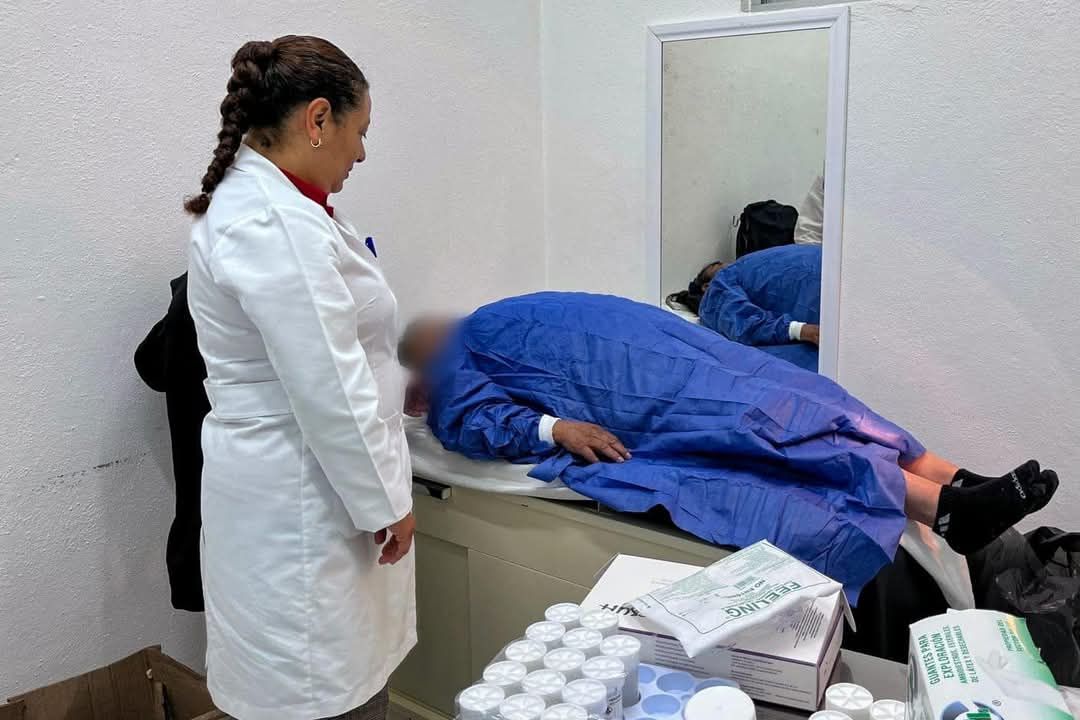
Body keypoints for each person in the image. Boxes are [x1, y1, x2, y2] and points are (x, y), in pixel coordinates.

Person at [399, 292, 1058, 600]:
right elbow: (477, 420)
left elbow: (472, 413)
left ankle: (962, 487)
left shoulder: (475, 332)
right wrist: (556, 429)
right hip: (648, 377)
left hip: (661, 356)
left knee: (803, 403)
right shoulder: (466, 345)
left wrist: (547, 426)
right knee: (782, 417)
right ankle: (946, 501)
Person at [185, 36, 415, 720]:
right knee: (317, 691)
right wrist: (387, 503)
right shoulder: (272, 221)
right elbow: (329, 384)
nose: (361, 153)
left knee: (326, 680)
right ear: (318, 119)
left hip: (307, 487)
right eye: (359, 131)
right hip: (301, 500)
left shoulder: (284, 208)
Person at [670, 245, 821, 371]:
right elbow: (744, 324)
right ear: (706, 286)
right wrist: (801, 330)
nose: (726, 264)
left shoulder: (745, 269)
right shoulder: (715, 294)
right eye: (717, 266)